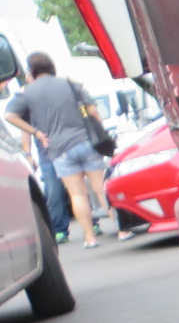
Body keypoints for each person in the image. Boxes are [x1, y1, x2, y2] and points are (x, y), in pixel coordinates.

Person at [4, 52, 109, 247]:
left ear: (32, 70)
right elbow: (92, 110)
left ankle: (90, 238)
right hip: (86, 142)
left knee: (77, 194)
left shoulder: (28, 92)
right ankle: (122, 229)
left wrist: (36, 132)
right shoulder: (69, 84)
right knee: (100, 189)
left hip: (60, 149)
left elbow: (9, 115)